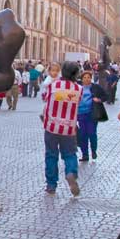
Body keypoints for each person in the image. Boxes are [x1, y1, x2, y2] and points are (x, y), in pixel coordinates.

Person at [41, 61, 82, 196]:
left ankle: (51, 185)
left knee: (51, 155)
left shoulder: (53, 86)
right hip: (69, 128)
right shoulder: (78, 89)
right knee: (70, 154)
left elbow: (44, 98)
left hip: (52, 126)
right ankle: (71, 172)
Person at [77, 70, 106, 162]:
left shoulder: (95, 87)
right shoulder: (78, 87)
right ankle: (85, 154)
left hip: (92, 114)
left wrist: (99, 99)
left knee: (92, 133)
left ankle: (93, 151)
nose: (86, 79)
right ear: (81, 79)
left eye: (88, 77)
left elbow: (105, 96)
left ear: (91, 78)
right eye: (84, 78)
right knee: (83, 135)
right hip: (80, 114)